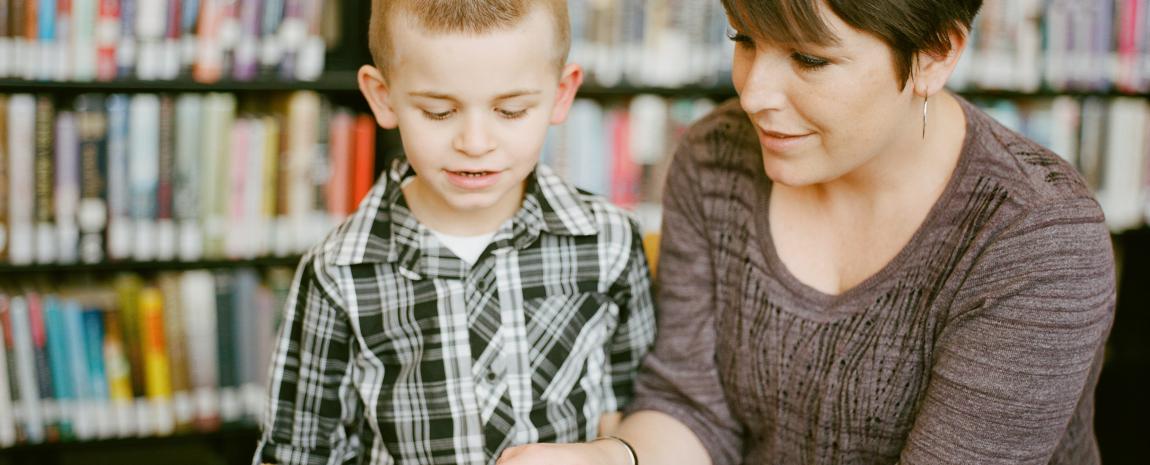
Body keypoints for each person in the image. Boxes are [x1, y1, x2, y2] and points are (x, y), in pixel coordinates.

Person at [497, 0, 1116, 464]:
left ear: (935, 53)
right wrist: (610, 459)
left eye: (809, 58)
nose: (753, 93)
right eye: (745, 39)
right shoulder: (716, 160)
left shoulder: (1036, 237)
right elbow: (691, 407)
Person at [253, 1, 657, 464]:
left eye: (511, 110)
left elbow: (638, 407)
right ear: (382, 96)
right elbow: (299, 450)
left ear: (561, 94)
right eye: (440, 112)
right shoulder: (337, 273)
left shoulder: (611, 241)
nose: (475, 143)